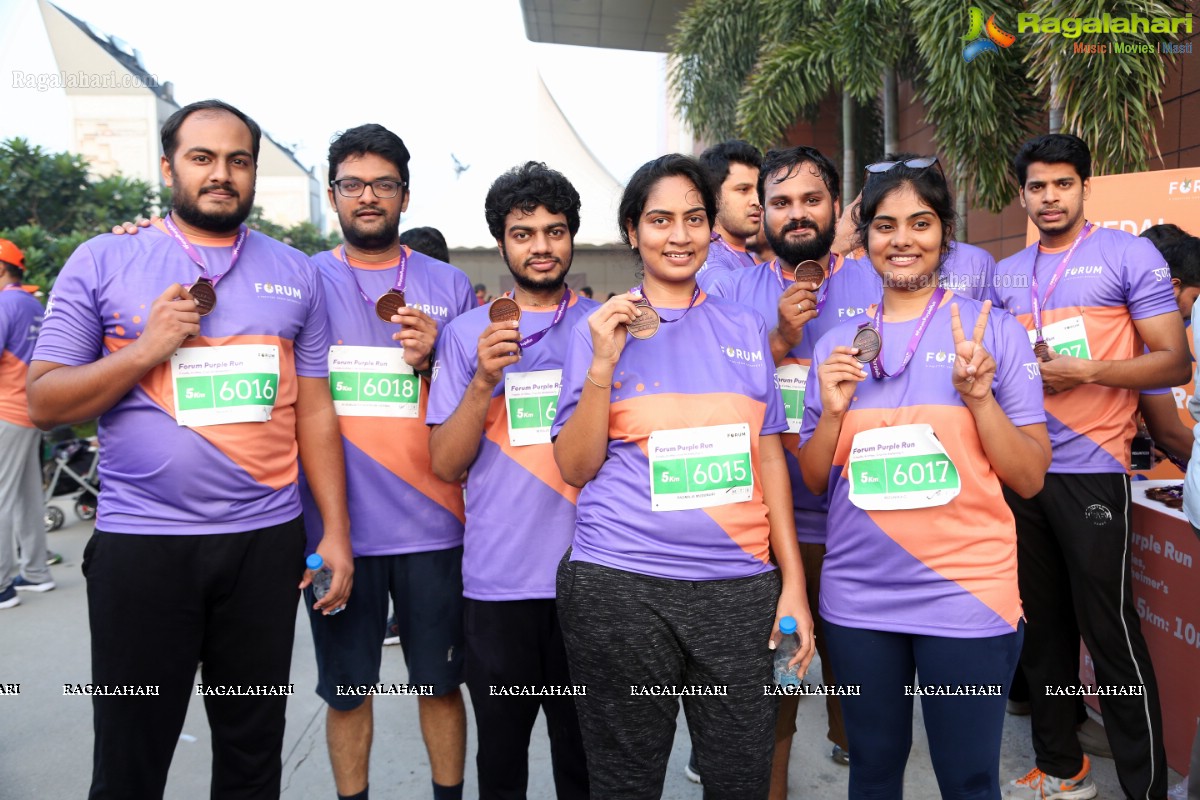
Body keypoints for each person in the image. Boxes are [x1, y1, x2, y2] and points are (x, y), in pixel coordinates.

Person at [27, 99, 353, 800]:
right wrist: (146, 348)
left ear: (254, 173)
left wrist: (337, 534)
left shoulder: (298, 272)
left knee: (250, 752)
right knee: (130, 757)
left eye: (238, 160)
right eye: (202, 157)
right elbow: (44, 399)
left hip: (264, 546)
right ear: (170, 164)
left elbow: (317, 413)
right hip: (143, 546)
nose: (221, 174)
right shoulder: (107, 257)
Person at [551, 153, 814, 799]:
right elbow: (575, 466)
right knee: (625, 783)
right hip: (622, 584)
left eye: (694, 218)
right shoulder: (597, 329)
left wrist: (793, 587)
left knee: (740, 779)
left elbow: (769, 458)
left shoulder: (746, 329)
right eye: (661, 219)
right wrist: (603, 365)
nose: (680, 235)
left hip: (739, 589)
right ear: (633, 230)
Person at [799, 155, 1050, 798]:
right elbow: (816, 477)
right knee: (874, 771)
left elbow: (1029, 478)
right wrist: (831, 413)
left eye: (921, 223)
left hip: (966, 593)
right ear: (865, 238)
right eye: (885, 225)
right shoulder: (836, 344)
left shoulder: (993, 333)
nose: (902, 240)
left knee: (967, 778)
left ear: (946, 233)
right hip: (859, 599)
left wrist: (981, 400)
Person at [990, 134, 1189, 800]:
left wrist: (1090, 370)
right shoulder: (1007, 272)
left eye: (1063, 183)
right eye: (1038, 186)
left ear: (1084, 187)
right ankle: (1060, 766)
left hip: (1094, 470)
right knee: (1042, 630)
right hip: (1025, 472)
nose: (1050, 197)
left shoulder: (1127, 254)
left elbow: (1174, 360)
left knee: (1110, 634)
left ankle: (1148, 787)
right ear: (1023, 194)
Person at [308, 124, 473, 800]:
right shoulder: (303, 278)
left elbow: (476, 407)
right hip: (336, 529)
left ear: (405, 194)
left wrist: (439, 357)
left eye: (383, 184)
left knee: (440, 684)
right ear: (332, 194)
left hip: (437, 526)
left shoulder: (450, 284)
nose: (368, 196)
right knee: (347, 693)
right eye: (353, 184)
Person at [706, 145, 877, 790]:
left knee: (865, 696)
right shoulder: (724, 288)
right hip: (767, 529)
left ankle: (854, 748)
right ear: (763, 212)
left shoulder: (874, 282)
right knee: (775, 689)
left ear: (838, 207)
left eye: (812, 200)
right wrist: (776, 339)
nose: (797, 214)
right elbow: (711, 391)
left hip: (863, 522)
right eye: (781, 202)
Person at [427, 161, 594, 800]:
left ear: (572, 236)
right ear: (502, 241)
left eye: (555, 230)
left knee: (583, 759)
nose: (542, 246)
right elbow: (445, 464)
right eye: (524, 233)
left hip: (593, 574)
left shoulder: (607, 326)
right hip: (498, 582)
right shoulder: (467, 335)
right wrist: (480, 382)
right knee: (501, 761)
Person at [0, 238, 51, 609]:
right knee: (26, 495)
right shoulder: (32, 303)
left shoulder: (4, 304)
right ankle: (35, 572)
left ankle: (2, 585)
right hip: (30, 410)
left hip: (6, 411)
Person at [696, 140, 763, 289]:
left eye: (759, 190)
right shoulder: (710, 259)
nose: (757, 201)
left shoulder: (744, 255)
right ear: (713, 196)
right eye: (743, 189)